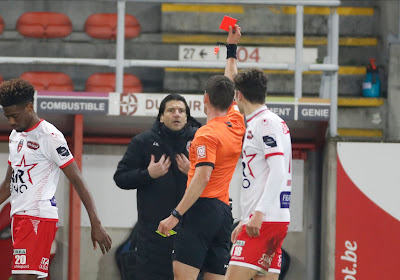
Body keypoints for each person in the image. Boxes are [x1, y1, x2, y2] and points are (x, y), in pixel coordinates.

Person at [0, 78, 112, 280]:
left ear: (29, 106)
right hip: (19, 218)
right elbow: (8, 185)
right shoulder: (15, 136)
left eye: (14, 116)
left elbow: (78, 180)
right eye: (7, 117)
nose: (11, 122)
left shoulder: (50, 136)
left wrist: (96, 223)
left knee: (23, 278)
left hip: (38, 217)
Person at [158, 25, 245, 280]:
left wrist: (175, 215)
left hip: (201, 210)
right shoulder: (236, 122)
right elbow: (230, 78)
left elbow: (203, 177)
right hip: (224, 213)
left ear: (204, 98)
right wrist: (232, 48)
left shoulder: (206, 134)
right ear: (232, 101)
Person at [113, 94, 201, 280]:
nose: (176, 114)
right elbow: (120, 178)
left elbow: (217, 178)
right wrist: (148, 174)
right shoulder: (142, 142)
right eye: (171, 110)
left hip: (192, 230)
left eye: (181, 111)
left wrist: (192, 173)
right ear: (161, 116)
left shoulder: (200, 140)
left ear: (186, 117)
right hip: (154, 234)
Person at [224, 48, 292, 280]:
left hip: (264, 221)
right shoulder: (272, 121)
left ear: (238, 95)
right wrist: (245, 218)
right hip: (269, 220)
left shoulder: (263, 124)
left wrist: (258, 213)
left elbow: (278, 170)